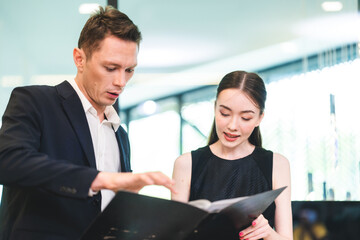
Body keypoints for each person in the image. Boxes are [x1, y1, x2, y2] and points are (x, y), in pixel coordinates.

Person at [0, 6, 174, 240]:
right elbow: (7, 162)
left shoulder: (120, 134)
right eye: (110, 68)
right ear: (79, 59)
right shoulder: (35, 101)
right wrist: (101, 178)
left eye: (129, 70)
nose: (121, 82)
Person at [172, 71, 293, 240]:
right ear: (215, 108)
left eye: (245, 118)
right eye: (225, 114)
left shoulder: (277, 164)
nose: (232, 126)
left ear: (259, 118)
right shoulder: (186, 164)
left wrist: (268, 233)